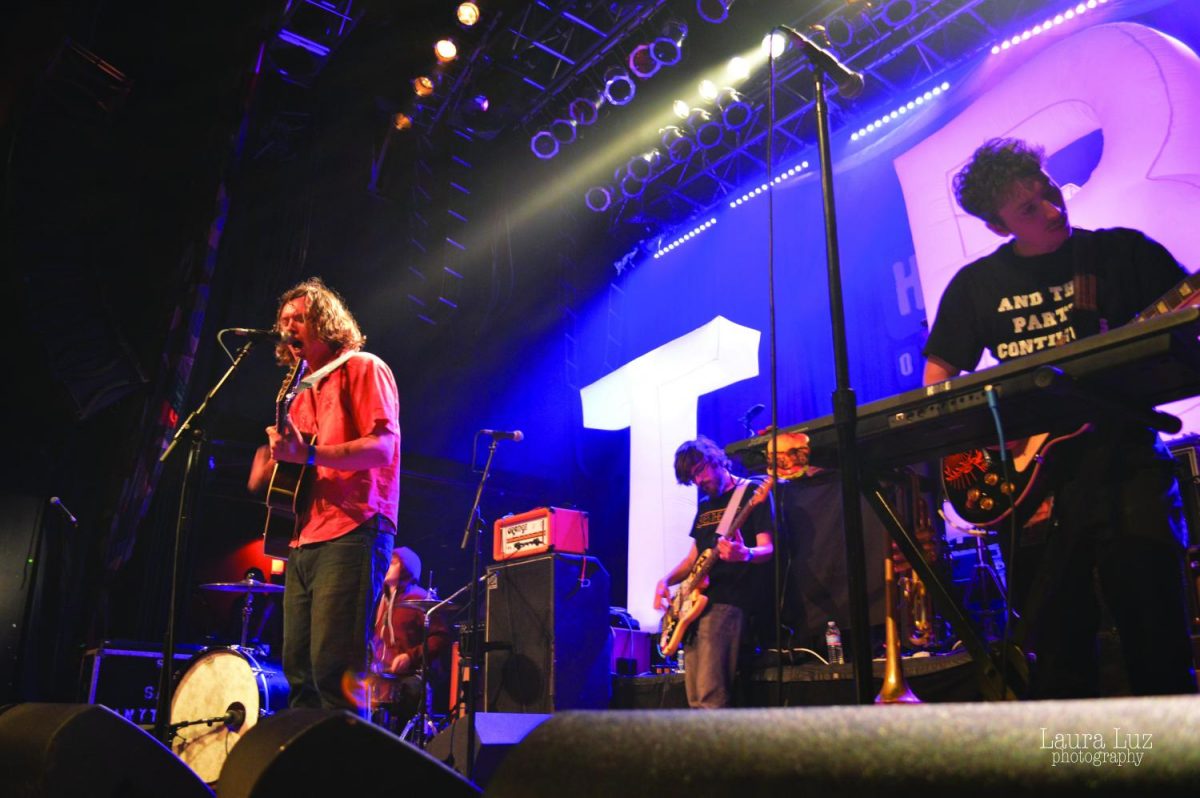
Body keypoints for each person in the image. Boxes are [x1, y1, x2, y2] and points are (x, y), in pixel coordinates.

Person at [923, 138, 1197, 697]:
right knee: (1059, 657)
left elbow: (1186, 323)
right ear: (1000, 227)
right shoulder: (978, 288)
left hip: (1130, 466)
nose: (1051, 208)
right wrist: (1007, 443)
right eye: (1028, 208)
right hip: (1035, 491)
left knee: (1159, 640)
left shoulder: (1121, 254)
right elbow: (937, 382)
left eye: (1048, 190)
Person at [248, 277, 401, 710]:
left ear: (326, 322)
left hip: (353, 529)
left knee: (336, 671)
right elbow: (299, 464)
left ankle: (346, 773)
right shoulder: (298, 392)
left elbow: (382, 448)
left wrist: (306, 454)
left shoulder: (364, 367)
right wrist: (272, 466)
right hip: (301, 538)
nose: (288, 326)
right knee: (299, 674)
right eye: (284, 320)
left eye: (300, 318)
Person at [653, 436, 774, 708]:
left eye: (699, 472)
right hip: (694, 607)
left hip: (728, 602)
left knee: (710, 697)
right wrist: (665, 581)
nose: (698, 482)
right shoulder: (706, 505)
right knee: (695, 698)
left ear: (714, 459)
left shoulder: (751, 493)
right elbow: (692, 559)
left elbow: (767, 548)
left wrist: (746, 554)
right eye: (691, 479)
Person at [366, 547, 451, 726]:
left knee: (411, 691)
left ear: (407, 568)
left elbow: (440, 637)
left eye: (393, 562)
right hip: (384, 673)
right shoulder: (381, 599)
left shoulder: (419, 598)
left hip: (412, 673)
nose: (387, 566)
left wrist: (410, 656)